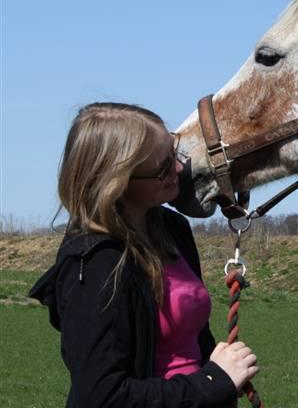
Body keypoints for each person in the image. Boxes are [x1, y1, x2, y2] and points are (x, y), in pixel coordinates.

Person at [29, 102, 258, 407]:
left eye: (174, 154)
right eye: (162, 168)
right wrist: (212, 382)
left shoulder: (172, 229)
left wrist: (221, 381)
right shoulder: (95, 264)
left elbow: (192, 343)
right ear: (117, 181)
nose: (178, 169)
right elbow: (103, 397)